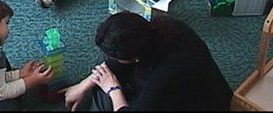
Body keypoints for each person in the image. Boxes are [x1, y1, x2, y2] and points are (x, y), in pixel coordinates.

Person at [61, 11, 233, 111]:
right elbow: (119, 60)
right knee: (103, 81)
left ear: (135, 58)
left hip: (194, 104)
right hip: (171, 85)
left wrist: (114, 90)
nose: (109, 59)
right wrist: (84, 84)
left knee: (107, 92)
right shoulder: (157, 28)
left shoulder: (166, 74)